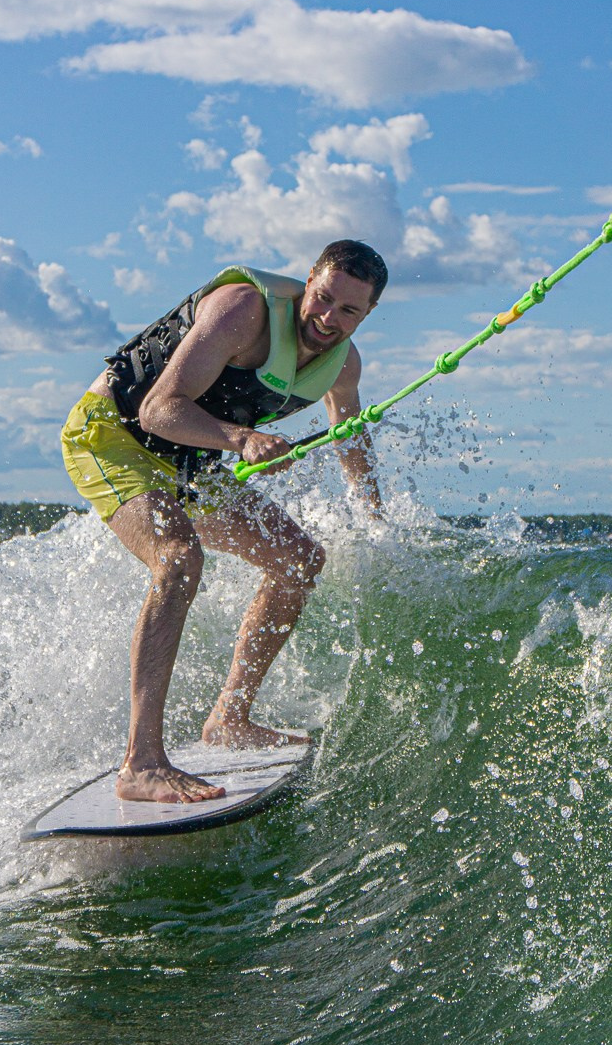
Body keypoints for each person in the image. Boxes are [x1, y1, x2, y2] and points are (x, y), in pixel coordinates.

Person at [61, 240, 387, 803]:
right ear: (308, 281)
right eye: (323, 298)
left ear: (367, 315)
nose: (328, 319)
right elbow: (158, 409)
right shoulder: (243, 310)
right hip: (113, 435)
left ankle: (229, 719)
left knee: (299, 559)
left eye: (348, 311)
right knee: (179, 559)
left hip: (190, 459)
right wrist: (243, 438)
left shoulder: (344, 365)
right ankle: (141, 764)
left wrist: (377, 520)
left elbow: (350, 433)